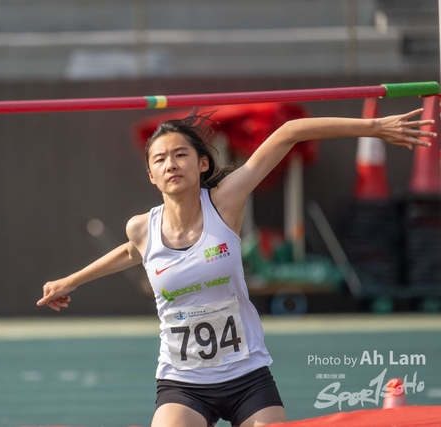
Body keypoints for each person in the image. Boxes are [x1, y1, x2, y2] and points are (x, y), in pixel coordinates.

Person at [37, 107, 434, 427]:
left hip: (247, 376)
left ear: (202, 163)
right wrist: (72, 280)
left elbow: (289, 132)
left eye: (180, 154)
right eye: (160, 159)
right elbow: (130, 252)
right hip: (184, 382)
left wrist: (373, 128)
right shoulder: (142, 228)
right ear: (151, 174)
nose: (171, 164)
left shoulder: (225, 202)